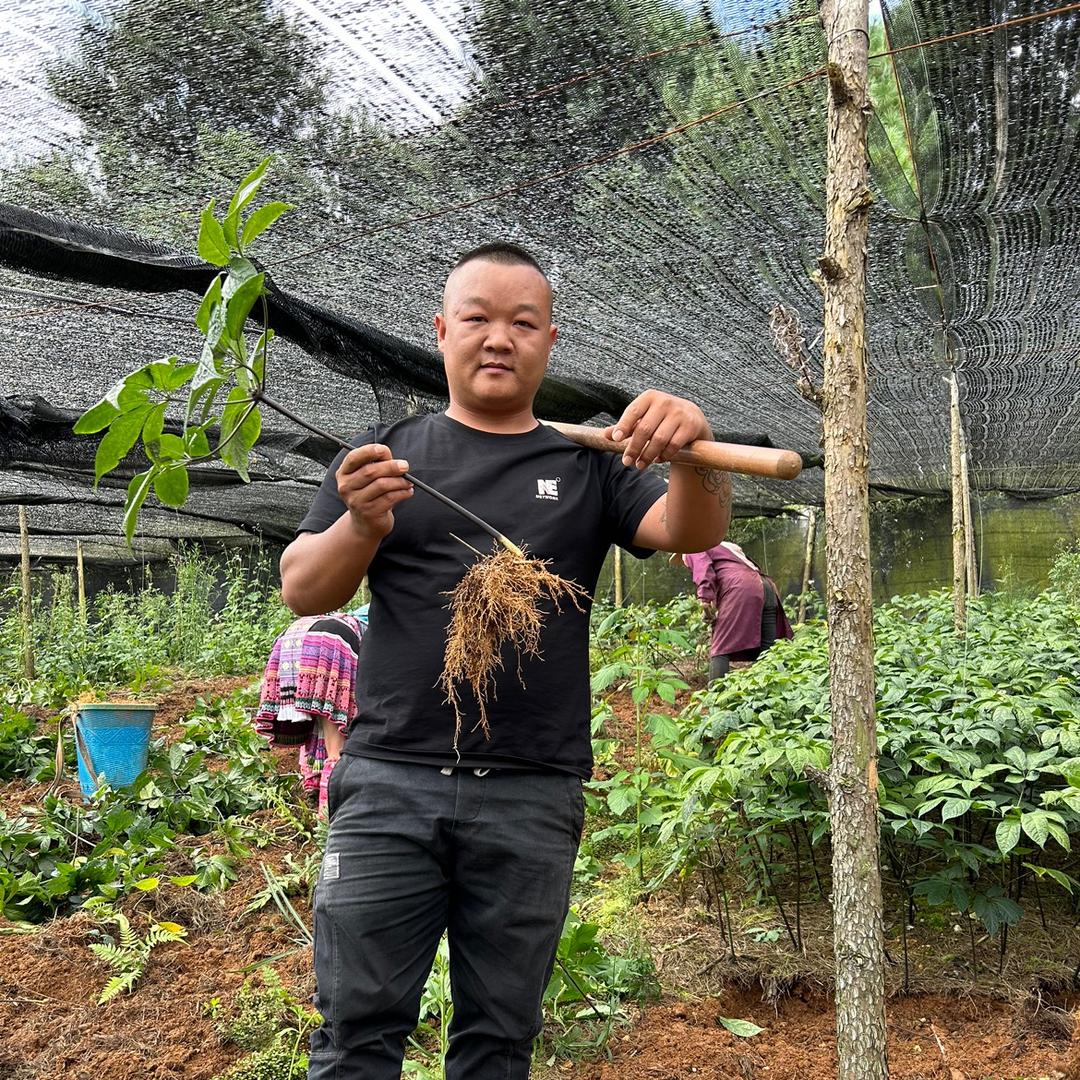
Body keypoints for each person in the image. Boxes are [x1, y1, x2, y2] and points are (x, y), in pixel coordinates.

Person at [279, 242, 731, 1080]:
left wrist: (691, 453)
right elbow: (303, 589)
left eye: (522, 323)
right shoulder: (386, 453)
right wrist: (361, 526)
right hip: (388, 782)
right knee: (355, 1034)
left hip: (531, 788)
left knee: (498, 1040)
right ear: (442, 331)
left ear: (549, 341)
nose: (498, 338)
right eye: (478, 319)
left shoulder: (588, 464)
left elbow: (691, 533)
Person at [682, 540, 793, 682]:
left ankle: (715, 700)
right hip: (766, 587)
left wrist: (704, 599)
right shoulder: (723, 546)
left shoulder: (692, 545)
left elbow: (703, 570)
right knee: (768, 650)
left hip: (741, 588)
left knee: (720, 648)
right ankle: (768, 694)